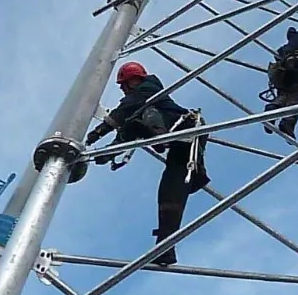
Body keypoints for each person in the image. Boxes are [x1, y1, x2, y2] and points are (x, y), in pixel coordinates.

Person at [85, 61, 210, 267]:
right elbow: (127, 130)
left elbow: (123, 112)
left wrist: (95, 134)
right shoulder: (139, 101)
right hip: (182, 143)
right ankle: (165, 247)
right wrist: (107, 153)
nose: (123, 89)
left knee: (142, 115)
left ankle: (158, 135)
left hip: (185, 128)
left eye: (124, 84)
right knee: (170, 192)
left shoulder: (148, 89)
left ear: (135, 80)